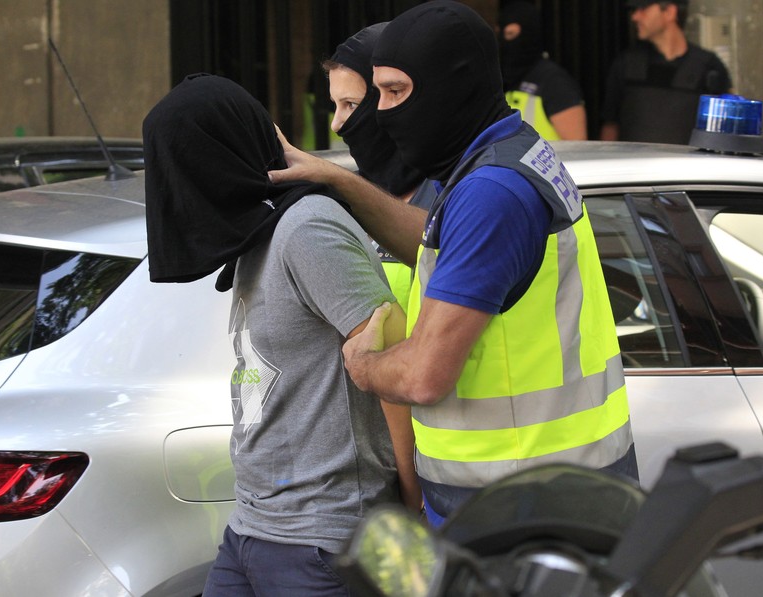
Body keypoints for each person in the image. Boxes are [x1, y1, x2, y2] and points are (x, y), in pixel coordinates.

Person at [269, 0, 638, 527]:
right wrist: (339, 180)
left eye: (395, 92)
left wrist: (362, 363)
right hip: (540, 494)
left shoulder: (490, 192)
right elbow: (435, 244)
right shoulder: (507, 154)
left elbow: (422, 376)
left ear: (451, 83)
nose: (384, 112)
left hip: (523, 511)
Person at [142, 73, 420, 596]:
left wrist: (412, 499)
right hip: (253, 525)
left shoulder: (307, 227)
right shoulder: (256, 234)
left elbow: (390, 353)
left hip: (323, 537)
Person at [323, 21, 432, 311]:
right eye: (335, 104)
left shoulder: (456, 195)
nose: (336, 124)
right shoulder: (343, 199)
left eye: (351, 104)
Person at [600, 0, 732, 144]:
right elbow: (610, 127)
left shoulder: (709, 67)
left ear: (669, 12)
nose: (635, 17)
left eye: (643, 9)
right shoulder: (626, 64)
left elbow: (728, 128)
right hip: (633, 165)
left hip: (690, 166)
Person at [498, 0, 587, 140]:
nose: (504, 42)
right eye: (501, 35)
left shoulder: (555, 82)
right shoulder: (503, 81)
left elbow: (577, 147)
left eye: (511, 34)